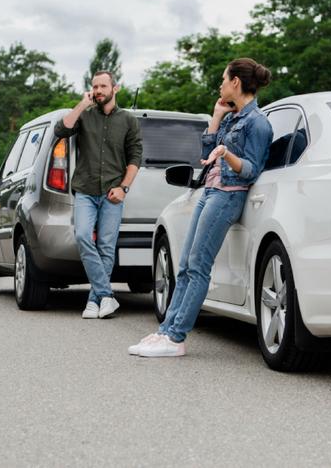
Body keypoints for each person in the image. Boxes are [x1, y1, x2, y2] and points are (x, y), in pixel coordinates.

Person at [129, 58, 273, 357]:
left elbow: (251, 170)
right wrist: (217, 117)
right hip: (210, 191)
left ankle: (176, 338)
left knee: (198, 267)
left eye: (223, 79)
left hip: (228, 196)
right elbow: (206, 157)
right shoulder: (233, 118)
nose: (220, 85)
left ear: (236, 82)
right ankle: (166, 331)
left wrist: (228, 154)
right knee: (185, 265)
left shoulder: (258, 123)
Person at [55, 70, 143, 319]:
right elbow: (61, 130)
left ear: (115, 88)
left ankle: (94, 301)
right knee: (83, 236)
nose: (98, 91)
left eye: (103, 86)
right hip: (85, 190)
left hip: (113, 192)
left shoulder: (128, 120)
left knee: (106, 246)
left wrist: (124, 188)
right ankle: (107, 295)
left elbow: (135, 157)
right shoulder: (84, 115)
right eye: (95, 86)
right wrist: (82, 103)